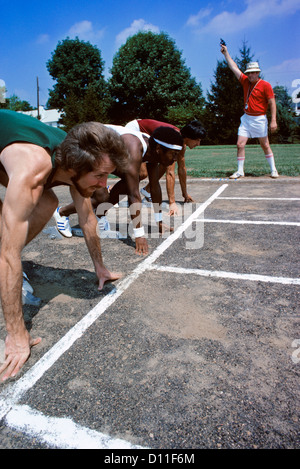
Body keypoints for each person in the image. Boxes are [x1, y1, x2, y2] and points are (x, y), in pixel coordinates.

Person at [0, 110, 130, 381]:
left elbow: (87, 219)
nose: (105, 185)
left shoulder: (77, 159)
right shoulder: (33, 169)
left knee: (46, 203)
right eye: (100, 175)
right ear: (73, 169)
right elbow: (9, 255)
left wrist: (100, 267)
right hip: (14, 152)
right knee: (9, 242)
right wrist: (16, 332)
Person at [55, 125, 183, 254]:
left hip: (102, 152)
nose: (176, 159)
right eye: (174, 154)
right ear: (159, 149)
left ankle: (98, 216)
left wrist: (159, 221)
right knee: (102, 197)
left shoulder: (153, 148)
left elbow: (154, 187)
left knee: (134, 178)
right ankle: (61, 213)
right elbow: (134, 195)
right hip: (82, 146)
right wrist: (139, 235)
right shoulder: (134, 149)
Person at [220, 43, 278, 179]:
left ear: (258, 73)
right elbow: (233, 67)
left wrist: (273, 120)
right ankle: (240, 171)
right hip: (246, 118)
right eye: (249, 73)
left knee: (265, 145)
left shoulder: (265, 85)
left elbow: (272, 102)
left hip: (260, 119)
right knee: (240, 144)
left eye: (253, 72)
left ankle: (273, 169)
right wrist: (225, 53)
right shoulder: (245, 81)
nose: (251, 75)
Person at [125, 119, 206, 215]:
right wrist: (172, 203)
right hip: (135, 130)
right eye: (197, 140)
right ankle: (112, 190)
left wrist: (185, 194)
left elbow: (182, 169)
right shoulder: (174, 140)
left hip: (147, 134)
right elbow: (170, 173)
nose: (198, 144)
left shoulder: (181, 144)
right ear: (189, 137)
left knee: (165, 163)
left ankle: (147, 190)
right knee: (143, 173)